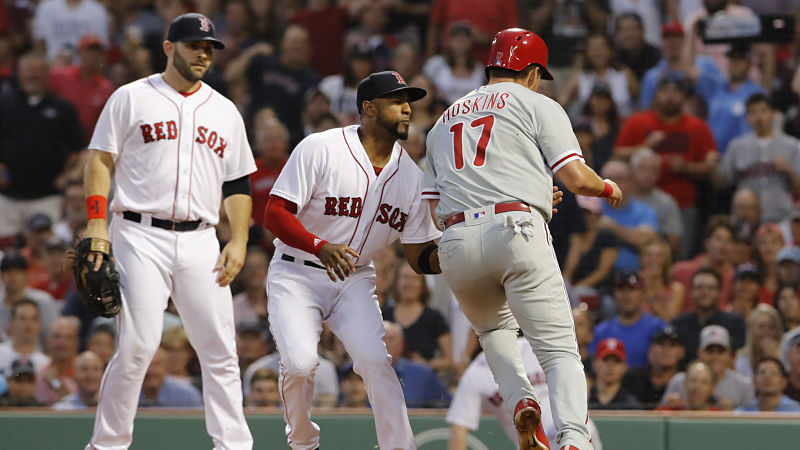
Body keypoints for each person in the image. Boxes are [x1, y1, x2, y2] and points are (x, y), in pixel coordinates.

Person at [423, 28, 622, 450]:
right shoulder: (537, 103)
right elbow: (575, 179)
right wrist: (605, 187)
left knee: (494, 333)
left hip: (456, 239)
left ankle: (518, 401)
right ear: (532, 72)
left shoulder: (443, 120)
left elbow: (432, 209)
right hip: (515, 230)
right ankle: (572, 438)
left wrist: (528, 192)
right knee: (559, 351)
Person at [81, 13, 254, 450]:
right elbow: (100, 160)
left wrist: (239, 239)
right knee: (138, 346)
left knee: (219, 349)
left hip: (201, 238)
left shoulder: (225, 110)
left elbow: (236, 183)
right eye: (195, 44)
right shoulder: (131, 97)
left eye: (209, 47)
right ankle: (107, 445)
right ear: (168, 47)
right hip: (139, 233)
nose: (203, 53)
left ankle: (233, 445)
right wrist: (97, 224)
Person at [261, 69, 442, 450]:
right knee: (299, 364)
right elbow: (275, 213)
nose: (408, 109)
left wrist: (464, 245)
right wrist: (319, 245)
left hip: (355, 279)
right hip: (297, 271)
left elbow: (419, 256)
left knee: (376, 361)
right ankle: (303, 441)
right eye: (397, 101)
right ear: (369, 108)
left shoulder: (411, 176)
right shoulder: (321, 148)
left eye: (409, 102)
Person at [447, 335, 604, 450]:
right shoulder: (475, 375)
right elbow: (458, 428)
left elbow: (576, 377)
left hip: (573, 430)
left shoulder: (534, 347)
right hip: (531, 444)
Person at [0, 52, 86, 239]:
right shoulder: (4, 103)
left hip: (48, 197)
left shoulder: (63, 107)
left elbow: (79, 150)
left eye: (39, 71)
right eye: (29, 70)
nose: (33, 75)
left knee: (48, 249)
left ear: (47, 73)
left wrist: (67, 175)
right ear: (19, 72)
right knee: (5, 250)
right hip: (7, 198)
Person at [718, 94, 800, 224]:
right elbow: (722, 183)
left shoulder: (792, 145)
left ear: (773, 114)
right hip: (745, 220)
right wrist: (712, 168)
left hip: (782, 217)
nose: (759, 117)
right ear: (747, 118)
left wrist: (789, 170)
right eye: (753, 112)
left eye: (763, 111)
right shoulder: (736, 146)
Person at [662, 325, 754, 409]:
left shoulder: (744, 385)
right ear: (699, 353)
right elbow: (661, 414)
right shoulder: (679, 381)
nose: (715, 357)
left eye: (720, 351)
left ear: (729, 354)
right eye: (709, 351)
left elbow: (751, 420)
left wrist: (734, 411)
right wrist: (670, 405)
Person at [382, 262, 453, 371]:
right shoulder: (382, 313)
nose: (410, 283)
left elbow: (449, 360)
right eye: (405, 277)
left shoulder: (434, 317)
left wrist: (426, 364)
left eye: (415, 278)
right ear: (397, 282)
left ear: (422, 285)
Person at [589, 271, 667, 369]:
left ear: (642, 293)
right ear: (615, 295)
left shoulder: (658, 328)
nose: (626, 295)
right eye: (621, 289)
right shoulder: (600, 331)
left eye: (632, 289)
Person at [671, 269, 747, 365]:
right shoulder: (678, 323)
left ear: (719, 292)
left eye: (710, 288)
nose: (704, 293)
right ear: (691, 292)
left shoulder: (734, 322)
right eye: (699, 288)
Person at [622, 326, 685, 408]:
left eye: (672, 345)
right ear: (651, 349)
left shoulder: (685, 382)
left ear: (681, 352)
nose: (666, 350)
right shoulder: (633, 378)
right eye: (661, 344)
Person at [34, 316, 80, 405]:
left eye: (68, 337)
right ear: (47, 342)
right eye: (57, 337)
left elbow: (78, 406)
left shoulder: (86, 370)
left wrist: (56, 382)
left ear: (77, 343)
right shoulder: (39, 374)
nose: (62, 342)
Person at [139, 347, 204, 408]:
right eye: (146, 365)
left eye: (156, 365)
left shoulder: (188, 396)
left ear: (166, 367)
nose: (150, 371)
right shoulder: (129, 394)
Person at [0, 299, 51, 375]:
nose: (28, 324)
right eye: (23, 318)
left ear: (40, 325)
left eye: (33, 319)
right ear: (11, 324)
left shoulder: (46, 363)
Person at [639, 238, 684, 322]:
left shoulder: (676, 289)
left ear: (666, 260)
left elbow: (669, 321)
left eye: (658, 256)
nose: (653, 260)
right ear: (641, 259)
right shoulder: (633, 286)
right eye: (648, 255)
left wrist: (649, 292)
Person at [588, 337, 641, 409]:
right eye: (606, 360)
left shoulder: (631, 405)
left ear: (625, 367)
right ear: (595, 363)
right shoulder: (583, 399)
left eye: (616, 361)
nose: (611, 366)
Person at [735, 304, 782, 380]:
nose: (766, 332)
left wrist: (775, 359)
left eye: (771, 327)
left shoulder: (785, 357)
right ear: (751, 329)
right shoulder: (741, 360)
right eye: (761, 327)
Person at [656, 360, 720, 411]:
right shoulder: (667, 412)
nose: (697, 386)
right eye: (693, 380)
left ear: (711, 388)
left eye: (704, 382)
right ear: (685, 384)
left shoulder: (720, 416)